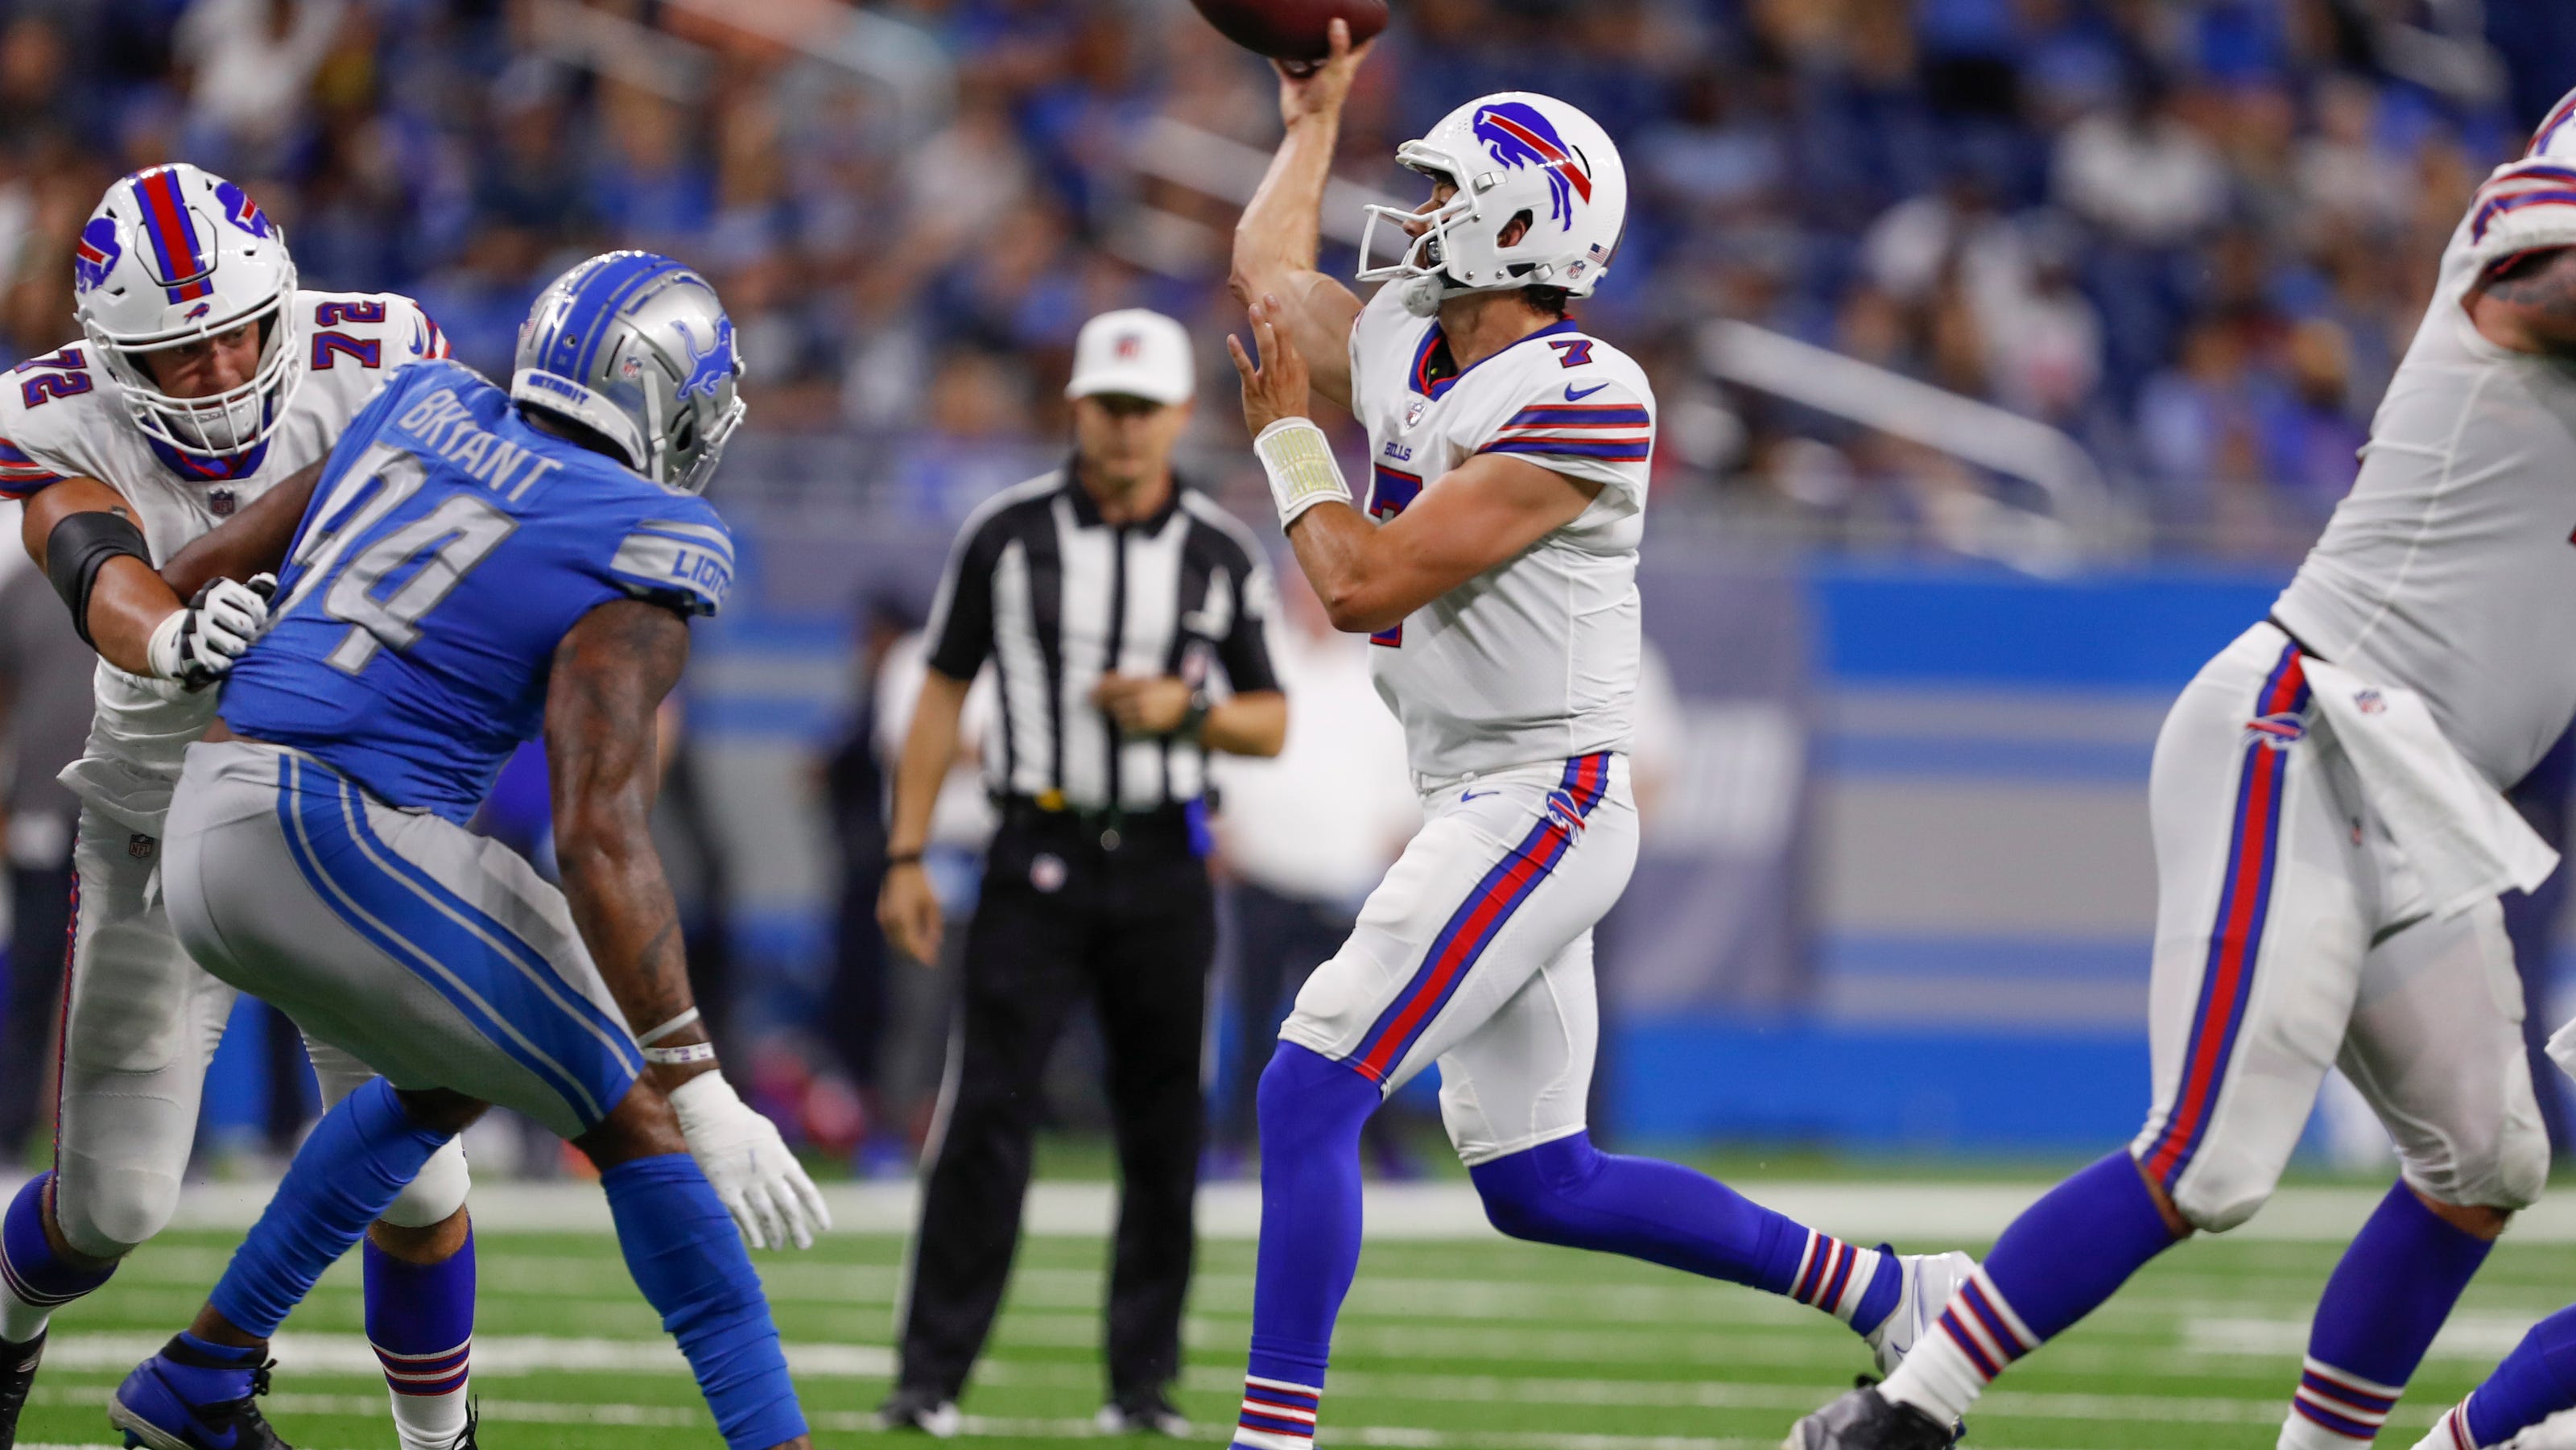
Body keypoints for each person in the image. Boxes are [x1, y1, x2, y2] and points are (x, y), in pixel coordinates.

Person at [1219, 28, 1969, 1450]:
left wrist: (1287, 447)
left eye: (1447, 194)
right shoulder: (1416, 343)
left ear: (1518, 224)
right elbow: (1266, 287)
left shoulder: (1586, 390)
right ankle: (1893, 1293)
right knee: (1539, 1179)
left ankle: (1273, 1438)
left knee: (1308, 1085)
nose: (1420, 214)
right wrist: (1311, 117)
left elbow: (1362, 578)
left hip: (1539, 798)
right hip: (1482, 790)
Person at [1797, 88, 2576, 1450]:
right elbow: (2549, 285)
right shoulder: (2517, 249)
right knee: (2211, 1156)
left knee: (2489, 1153)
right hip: (2307, 727)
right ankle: (1906, 1412)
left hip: (2431, 797)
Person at [105, 250, 829, 1450]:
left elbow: (192, 579)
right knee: (632, 1100)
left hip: (212, 816)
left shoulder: (418, 401)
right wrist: (696, 1080)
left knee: (449, 1076)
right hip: (329, 835)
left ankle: (203, 1375)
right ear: (661, 399)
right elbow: (600, 829)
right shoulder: (652, 529)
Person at [0, 163, 477, 1450]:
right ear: (109, 355)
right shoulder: (41, 414)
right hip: (159, 824)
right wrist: (171, 639)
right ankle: (4, 1325)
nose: (214, 375)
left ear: (283, 303)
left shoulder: (384, 349)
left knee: (422, 1165)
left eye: (232, 337)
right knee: (115, 1205)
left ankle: (444, 1445)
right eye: (176, 355)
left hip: (341, 816)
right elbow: (89, 558)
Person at [875, 307, 1287, 1437]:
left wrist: (1185, 712)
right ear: (1078, 408)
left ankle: (1141, 1385)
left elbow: (1271, 722)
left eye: (1144, 410)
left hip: (1162, 858)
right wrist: (907, 850)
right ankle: (930, 1377)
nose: (1124, 430)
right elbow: (941, 692)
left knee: (1163, 1127)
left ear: (1176, 416)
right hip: (1036, 848)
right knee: (986, 1117)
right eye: (1108, 407)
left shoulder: (1217, 549)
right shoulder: (1005, 535)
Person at [1206, 568, 1419, 1177]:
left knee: (1368, 1022)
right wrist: (1225, 835)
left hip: (1351, 880)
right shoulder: (1257, 666)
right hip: (1265, 872)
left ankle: (1385, 1149)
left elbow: (1402, 769)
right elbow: (1221, 754)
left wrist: (1389, 847)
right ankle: (1233, 1142)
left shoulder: (1376, 674)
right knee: (1254, 1016)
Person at [0, 549, 97, 1167]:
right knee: (31, 974)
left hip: (128, 812)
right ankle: (8, 1131)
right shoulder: (20, 587)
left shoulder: (150, 569)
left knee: (133, 978)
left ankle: (143, 1142)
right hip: (39, 804)